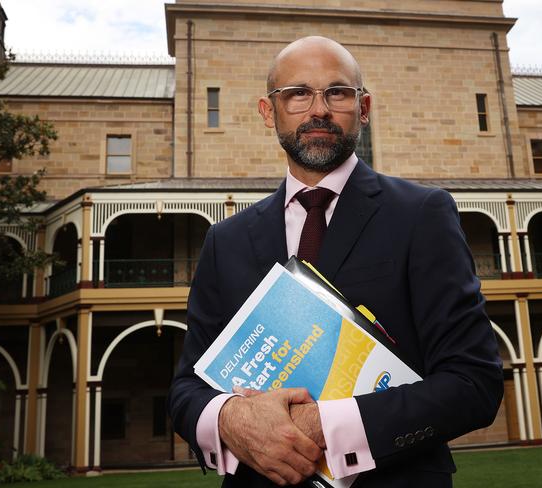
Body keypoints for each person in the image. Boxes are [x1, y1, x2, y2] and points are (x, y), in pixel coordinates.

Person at [168, 36, 504, 488]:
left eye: (338, 93)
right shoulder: (225, 240)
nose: (319, 109)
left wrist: (324, 427)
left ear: (363, 108)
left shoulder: (421, 214)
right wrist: (230, 418)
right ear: (269, 112)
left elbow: (473, 383)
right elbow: (187, 389)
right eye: (297, 94)